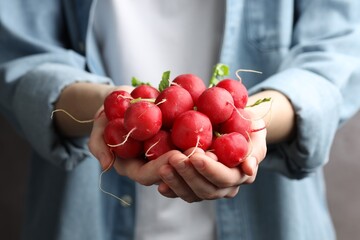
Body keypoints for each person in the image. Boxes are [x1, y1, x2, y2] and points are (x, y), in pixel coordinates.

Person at [1, 1, 360, 240]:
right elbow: (21, 57)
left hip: (274, 218)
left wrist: (252, 122)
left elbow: (338, 51)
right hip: (82, 217)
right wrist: (109, 107)